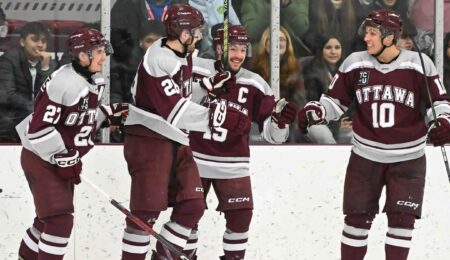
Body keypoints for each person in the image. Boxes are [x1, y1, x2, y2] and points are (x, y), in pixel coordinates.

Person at [297, 9, 450, 260]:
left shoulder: (419, 64)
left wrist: (442, 122)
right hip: (365, 157)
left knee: (401, 223)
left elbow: (439, 103)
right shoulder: (355, 62)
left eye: (372, 33)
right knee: (356, 221)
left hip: (408, 159)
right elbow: (335, 102)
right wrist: (317, 110)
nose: (366, 38)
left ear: (389, 38)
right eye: (366, 32)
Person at [120, 4, 251, 260]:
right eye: (196, 31)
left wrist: (205, 87)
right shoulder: (159, 59)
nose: (200, 36)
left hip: (176, 139)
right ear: (181, 32)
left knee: (193, 205)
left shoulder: (182, 52)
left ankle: (164, 256)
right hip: (148, 140)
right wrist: (218, 118)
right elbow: (175, 111)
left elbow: (181, 96)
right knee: (145, 214)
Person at [15, 27, 128, 260]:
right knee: (59, 221)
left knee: (46, 219)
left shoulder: (91, 79)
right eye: (97, 51)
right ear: (81, 55)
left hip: (58, 158)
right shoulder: (64, 83)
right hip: (41, 158)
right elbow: (39, 129)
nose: (103, 56)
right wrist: (62, 155)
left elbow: (75, 119)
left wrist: (104, 116)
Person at [188, 24, 298, 259]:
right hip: (193, 159)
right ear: (218, 48)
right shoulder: (195, 69)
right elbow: (172, 105)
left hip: (233, 163)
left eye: (242, 49)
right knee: (187, 214)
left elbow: (273, 136)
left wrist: (280, 123)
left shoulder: (255, 83)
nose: (238, 55)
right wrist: (205, 88)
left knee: (241, 216)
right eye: (232, 49)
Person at [0, 21, 58, 142]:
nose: (40, 45)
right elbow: (7, 95)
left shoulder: (49, 64)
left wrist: (45, 69)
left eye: (43, 41)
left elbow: (49, 96)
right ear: (22, 42)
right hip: (12, 118)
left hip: (37, 119)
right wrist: (36, 111)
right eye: (35, 40)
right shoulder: (8, 60)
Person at [251, 25, 305, 143]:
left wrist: (287, 117)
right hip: (261, 119)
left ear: (287, 44)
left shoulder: (295, 67)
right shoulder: (255, 67)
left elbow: (299, 100)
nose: (278, 42)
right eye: (273, 39)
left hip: (287, 120)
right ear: (265, 44)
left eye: (282, 39)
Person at [302, 33, 351, 144]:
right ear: (321, 50)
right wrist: (337, 123)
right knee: (323, 134)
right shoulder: (312, 73)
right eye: (328, 48)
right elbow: (312, 108)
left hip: (338, 121)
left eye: (337, 48)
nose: (333, 52)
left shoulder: (346, 71)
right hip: (315, 122)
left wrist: (349, 119)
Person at [240, 0, 309, 56]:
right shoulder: (252, 2)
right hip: (261, 53)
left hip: (294, 52)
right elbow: (251, 31)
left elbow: (300, 28)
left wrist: (287, 5)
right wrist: (273, 5)